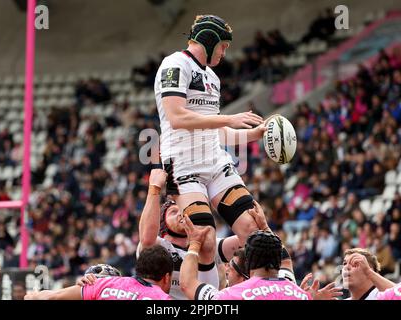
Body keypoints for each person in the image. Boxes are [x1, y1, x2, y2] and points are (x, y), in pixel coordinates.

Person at [154, 14, 267, 247]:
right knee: (204, 238)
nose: (224, 53)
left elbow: (216, 131)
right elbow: (176, 117)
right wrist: (229, 118)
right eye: (223, 46)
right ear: (209, 40)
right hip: (183, 165)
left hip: (215, 161)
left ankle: (273, 282)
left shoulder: (213, 78)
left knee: (253, 227)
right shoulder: (174, 64)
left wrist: (254, 134)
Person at [138, 168, 270, 299]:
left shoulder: (210, 242)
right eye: (173, 212)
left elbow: (250, 239)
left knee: (210, 243)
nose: (181, 213)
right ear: (162, 222)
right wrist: (154, 190)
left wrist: (262, 226)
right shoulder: (158, 246)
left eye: (183, 209)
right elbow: (146, 239)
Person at [179, 217, 342, 300]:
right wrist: (264, 226)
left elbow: (187, 284)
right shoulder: (299, 293)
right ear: (277, 262)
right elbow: (286, 260)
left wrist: (194, 244)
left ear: (248, 262)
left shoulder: (232, 295)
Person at [24, 245, 173, 300]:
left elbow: (52, 297)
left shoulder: (105, 284)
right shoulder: (163, 300)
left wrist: (32, 296)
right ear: (167, 277)